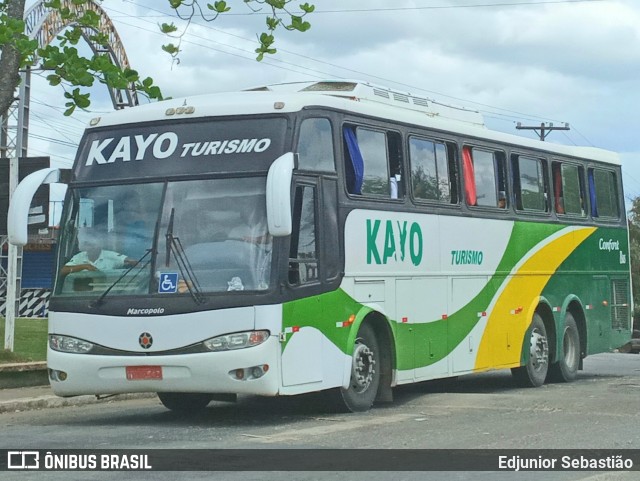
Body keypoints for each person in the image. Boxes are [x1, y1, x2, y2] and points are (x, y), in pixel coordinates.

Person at [61, 229, 136, 277]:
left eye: (93, 244)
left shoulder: (110, 255)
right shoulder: (79, 257)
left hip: (106, 292)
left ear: (100, 245)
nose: (91, 247)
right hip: (83, 292)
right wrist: (84, 266)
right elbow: (63, 271)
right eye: (88, 244)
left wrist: (142, 265)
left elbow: (131, 261)